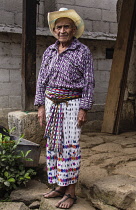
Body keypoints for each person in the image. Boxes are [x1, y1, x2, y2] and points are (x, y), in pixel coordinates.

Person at [34, 8, 94, 209]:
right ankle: (59, 186)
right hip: (51, 104)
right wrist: (41, 106)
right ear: (54, 30)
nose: (62, 30)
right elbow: (41, 80)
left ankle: (71, 193)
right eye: (58, 27)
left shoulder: (82, 51)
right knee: (53, 146)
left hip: (71, 105)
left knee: (69, 148)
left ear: (74, 29)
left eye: (66, 26)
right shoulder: (50, 51)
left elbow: (88, 82)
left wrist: (84, 108)